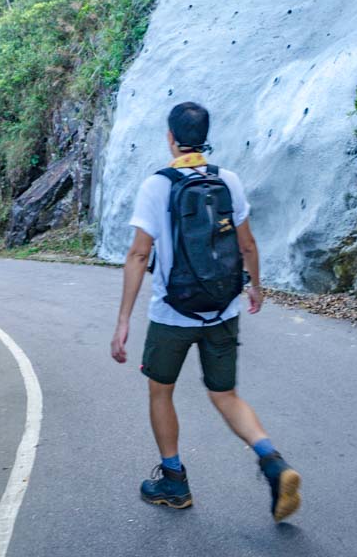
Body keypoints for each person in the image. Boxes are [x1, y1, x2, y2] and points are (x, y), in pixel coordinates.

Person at [110, 100, 301, 522]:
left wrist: (123, 320)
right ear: (206, 135)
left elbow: (139, 255)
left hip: (172, 314)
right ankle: (272, 459)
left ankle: (174, 482)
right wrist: (254, 287)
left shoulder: (157, 185)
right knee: (226, 395)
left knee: (161, 391)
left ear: (171, 138)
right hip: (221, 307)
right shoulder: (227, 180)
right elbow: (247, 244)